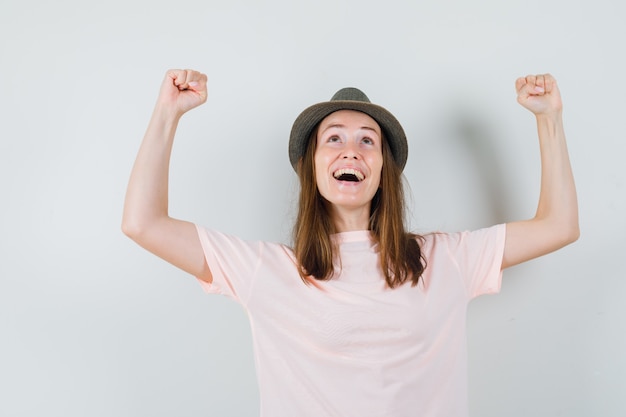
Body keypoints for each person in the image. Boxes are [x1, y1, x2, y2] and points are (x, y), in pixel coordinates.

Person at [122, 69, 579, 417]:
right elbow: (144, 223)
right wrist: (167, 113)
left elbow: (558, 225)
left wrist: (549, 119)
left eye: (367, 141)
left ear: (382, 170)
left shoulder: (444, 259)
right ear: (313, 166)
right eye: (333, 139)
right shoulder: (270, 270)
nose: (351, 151)